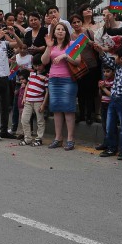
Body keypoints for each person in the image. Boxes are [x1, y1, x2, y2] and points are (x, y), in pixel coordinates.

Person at [41, 22, 81, 150]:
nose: (60, 31)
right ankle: (58, 138)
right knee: (56, 110)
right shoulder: (51, 45)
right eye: (58, 29)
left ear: (66, 32)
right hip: (53, 80)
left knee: (68, 110)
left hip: (68, 80)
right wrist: (48, 47)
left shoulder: (72, 44)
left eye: (62, 29)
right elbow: (44, 61)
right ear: (54, 32)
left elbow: (77, 60)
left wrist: (65, 55)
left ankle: (70, 139)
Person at [95, 46, 122, 160]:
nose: (115, 59)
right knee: (110, 126)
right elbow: (106, 60)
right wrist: (100, 51)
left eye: (117, 57)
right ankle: (111, 148)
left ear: (121, 58)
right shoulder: (117, 68)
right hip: (113, 100)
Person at [70, 13, 99, 125]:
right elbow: (70, 52)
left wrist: (90, 42)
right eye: (74, 22)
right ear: (71, 24)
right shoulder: (71, 36)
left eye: (78, 22)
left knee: (90, 92)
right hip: (78, 67)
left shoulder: (88, 32)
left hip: (91, 66)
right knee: (80, 92)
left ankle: (89, 116)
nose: (76, 24)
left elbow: (96, 46)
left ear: (82, 22)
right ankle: (81, 115)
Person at [20, 54, 48, 146]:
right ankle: (27, 138)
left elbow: (47, 92)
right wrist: (24, 97)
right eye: (35, 65)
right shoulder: (32, 74)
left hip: (38, 101)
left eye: (39, 65)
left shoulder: (47, 76)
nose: (37, 67)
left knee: (40, 120)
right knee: (24, 119)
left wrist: (44, 104)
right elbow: (27, 85)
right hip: (28, 100)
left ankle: (39, 138)